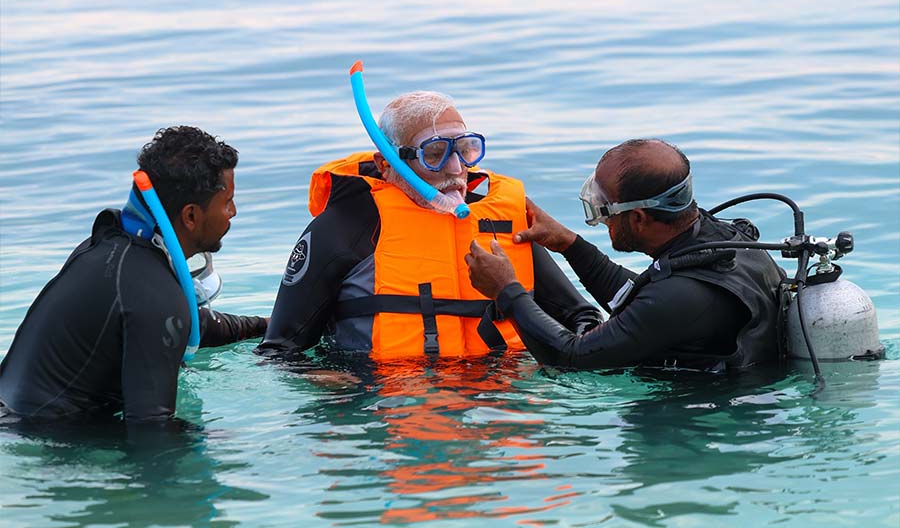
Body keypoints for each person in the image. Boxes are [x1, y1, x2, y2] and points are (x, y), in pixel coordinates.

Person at [259, 91, 600, 358]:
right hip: (384, 407)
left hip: (498, 404)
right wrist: (332, 386)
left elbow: (583, 317)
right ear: (386, 163)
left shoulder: (501, 221)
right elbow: (278, 350)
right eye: (434, 154)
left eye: (466, 149)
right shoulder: (346, 227)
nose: (455, 169)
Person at [0, 126, 267, 422]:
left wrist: (261, 326)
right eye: (227, 201)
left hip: (16, 414)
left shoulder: (111, 251)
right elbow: (152, 428)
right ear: (191, 216)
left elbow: (179, 323)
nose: (233, 212)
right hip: (45, 441)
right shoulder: (155, 292)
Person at [465, 138, 786, 371]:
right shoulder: (727, 241)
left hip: (702, 424)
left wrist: (506, 291)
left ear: (638, 218)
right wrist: (569, 244)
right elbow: (641, 301)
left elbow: (571, 358)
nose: (601, 220)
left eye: (603, 210)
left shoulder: (678, 297)